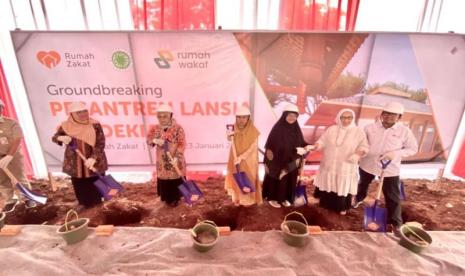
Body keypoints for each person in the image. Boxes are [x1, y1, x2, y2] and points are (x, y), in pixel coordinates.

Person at [352, 102, 418, 235]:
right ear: (381, 114)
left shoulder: (404, 131)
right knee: (363, 183)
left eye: (393, 115)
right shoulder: (370, 128)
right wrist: (361, 152)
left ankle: (396, 223)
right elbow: (362, 143)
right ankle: (359, 198)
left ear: (399, 117)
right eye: (386, 113)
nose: (388, 117)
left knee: (393, 195)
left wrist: (396, 154)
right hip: (368, 164)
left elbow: (413, 148)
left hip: (389, 168)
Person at [312, 108, 369, 215]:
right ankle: (326, 205)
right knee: (329, 183)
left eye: (349, 117)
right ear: (339, 117)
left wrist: (358, 154)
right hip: (329, 163)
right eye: (343, 117)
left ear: (353, 118)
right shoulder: (332, 129)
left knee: (342, 185)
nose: (346, 120)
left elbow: (364, 146)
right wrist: (316, 146)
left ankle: (342, 207)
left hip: (345, 165)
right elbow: (322, 141)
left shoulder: (358, 132)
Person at [52, 102, 107, 209]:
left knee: (96, 181)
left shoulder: (94, 124)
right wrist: (60, 138)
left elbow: (100, 143)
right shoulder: (65, 126)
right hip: (74, 161)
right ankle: (83, 203)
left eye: (84, 111)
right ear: (72, 114)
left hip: (94, 160)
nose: (83, 114)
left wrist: (93, 158)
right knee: (79, 182)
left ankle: (98, 203)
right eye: (79, 112)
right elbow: (55, 137)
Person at [262, 103, 312, 208]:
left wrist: (306, 147)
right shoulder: (277, 129)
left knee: (289, 179)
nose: (291, 118)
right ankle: (273, 198)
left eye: (294, 116)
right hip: (277, 161)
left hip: (290, 161)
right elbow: (271, 146)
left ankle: (285, 198)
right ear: (284, 115)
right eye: (289, 115)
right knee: (277, 178)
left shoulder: (296, 130)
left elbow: (301, 142)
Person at [0, 99, 36, 212]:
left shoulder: (11, 123)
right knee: (1, 180)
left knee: (18, 177)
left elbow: (17, 139)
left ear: (2, 108)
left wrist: (9, 156)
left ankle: (27, 198)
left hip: (13, 155)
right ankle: (10, 200)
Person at [147, 104, 186, 207]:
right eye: (159, 116)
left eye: (165, 116)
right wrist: (154, 140)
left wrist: (177, 157)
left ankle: (176, 199)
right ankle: (166, 198)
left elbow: (182, 143)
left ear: (170, 116)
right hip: (162, 159)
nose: (162, 119)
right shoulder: (155, 128)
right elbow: (149, 139)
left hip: (175, 157)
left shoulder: (178, 128)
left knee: (175, 175)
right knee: (164, 178)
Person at [224, 106, 262, 206]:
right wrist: (228, 135)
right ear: (236, 118)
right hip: (234, 157)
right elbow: (230, 140)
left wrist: (241, 157)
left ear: (248, 118)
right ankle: (237, 197)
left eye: (244, 117)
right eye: (239, 117)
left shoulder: (253, 130)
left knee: (248, 177)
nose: (241, 120)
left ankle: (248, 199)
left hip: (248, 160)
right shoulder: (233, 128)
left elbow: (252, 148)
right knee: (236, 176)